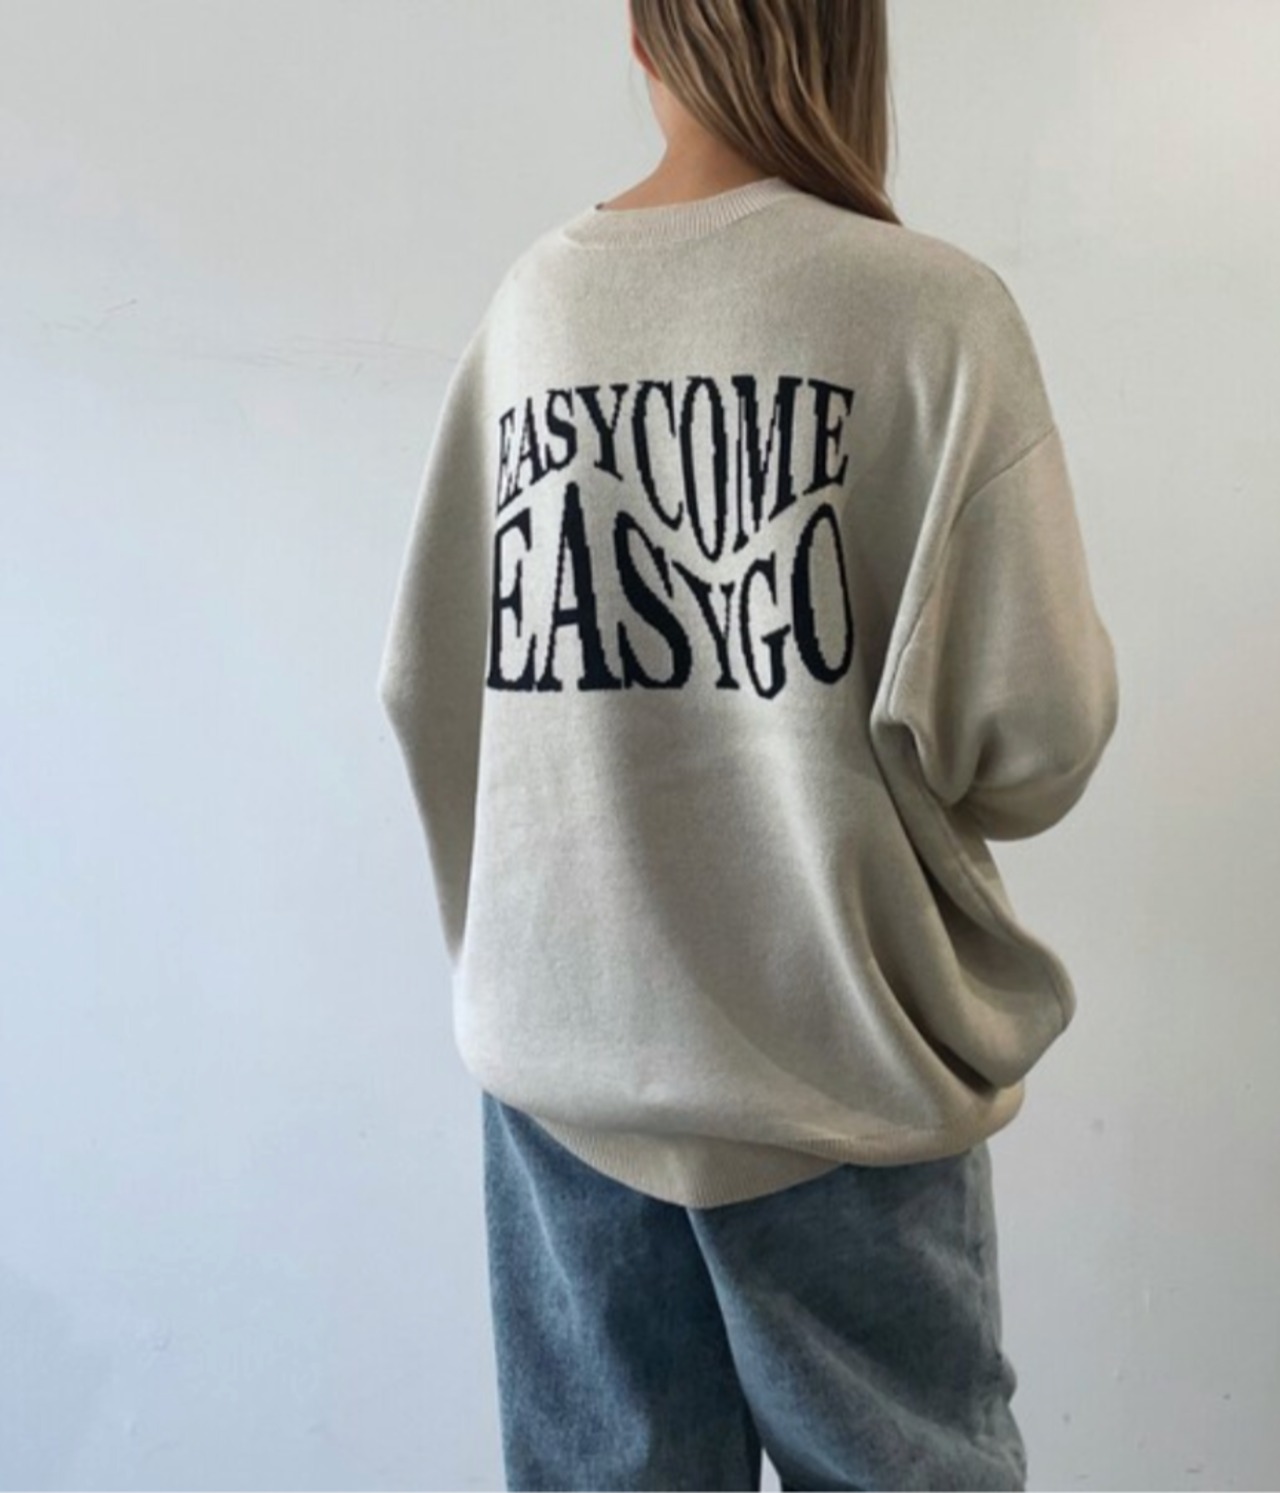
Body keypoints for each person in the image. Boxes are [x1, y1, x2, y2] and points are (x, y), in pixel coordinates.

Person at [377, 1, 1120, 1488]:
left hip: (566, 1076)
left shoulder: (536, 309)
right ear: (854, 44)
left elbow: (426, 687)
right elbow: (1035, 740)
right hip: (838, 1070)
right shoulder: (930, 313)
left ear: (644, 43)